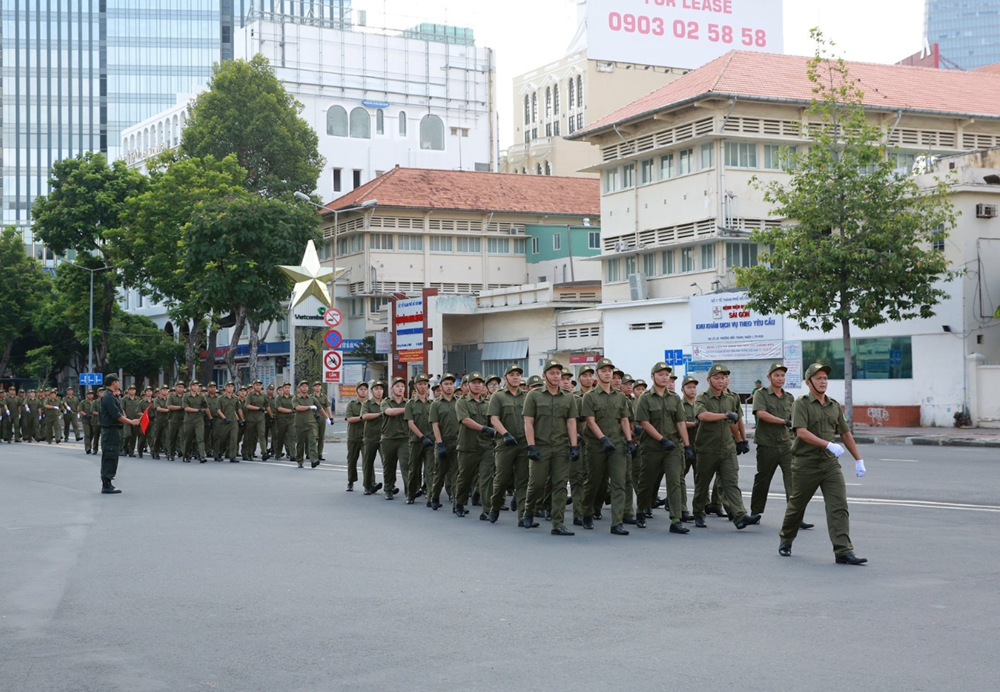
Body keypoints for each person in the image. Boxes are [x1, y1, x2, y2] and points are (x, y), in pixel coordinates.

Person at [778, 363, 868, 565]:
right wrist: (827, 444)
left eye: (825, 378)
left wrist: (858, 459)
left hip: (829, 465)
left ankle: (843, 551)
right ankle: (786, 538)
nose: (823, 381)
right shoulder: (801, 404)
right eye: (818, 378)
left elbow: (845, 433)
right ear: (808, 382)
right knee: (797, 506)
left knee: (838, 506)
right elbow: (800, 431)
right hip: (806, 464)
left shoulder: (833, 405)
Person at [693, 364, 760, 530]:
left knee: (731, 482)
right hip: (707, 448)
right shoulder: (702, 398)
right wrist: (724, 415)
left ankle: (740, 516)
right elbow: (702, 415)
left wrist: (742, 440)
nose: (721, 381)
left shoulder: (732, 398)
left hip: (727, 448)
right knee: (703, 484)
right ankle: (699, 513)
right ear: (709, 380)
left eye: (723, 378)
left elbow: (736, 421)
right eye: (717, 378)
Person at [635, 362, 695, 535]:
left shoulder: (674, 398)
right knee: (647, 481)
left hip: (673, 447)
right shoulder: (645, 398)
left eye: (667, 375)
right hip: (652, 446)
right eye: (660, 374)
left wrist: (687, 445)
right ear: (653, 376)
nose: (664, 377)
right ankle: (641, 510)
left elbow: (680, 422)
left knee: (674, 481)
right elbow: (644, 423)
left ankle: (675, 519)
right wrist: (661, 439)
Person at [752, 362, 813, 530]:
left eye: (782, 375)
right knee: (763, 480)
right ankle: (755, 512)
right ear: (769, 377)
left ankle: (796, 517)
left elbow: (796, 419)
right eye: (776, 375)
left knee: (793, 481)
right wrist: (783, 421)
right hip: (767, 444)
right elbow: (761, 414)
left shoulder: (789, 397)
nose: (780, 378)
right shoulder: (761, 394)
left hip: (786, 445)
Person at [523, 359, 580, 536]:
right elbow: (528, 422)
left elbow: (571, 423)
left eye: (558, 373)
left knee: (560, 485)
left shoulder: (568, 397)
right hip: (541, 446)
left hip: (561, 447)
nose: (556, 376)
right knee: (537, 483)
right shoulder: (534, 395)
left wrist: (574, 446)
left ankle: (558, 523)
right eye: (552, 373)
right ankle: (529, 510)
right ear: (544, 375)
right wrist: (531, 445)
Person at [580, 358, 634, 535]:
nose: (608, 373)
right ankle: (586, 511)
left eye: (610, 370)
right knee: (594, 482)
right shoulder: (590, 396)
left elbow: (624, 420)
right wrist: (603, 439)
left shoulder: (620, 396)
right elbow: (590, 420)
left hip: (617, 444)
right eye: (603, 370)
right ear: (597, 374)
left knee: (619, 483)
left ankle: (617, 522)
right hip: (597, 445)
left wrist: (629, 440)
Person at [486, 364, 530, 526]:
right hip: (505, 443)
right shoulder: (498, 396)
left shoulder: (526, 396)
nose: (516, 377)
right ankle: (495, 506)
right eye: (512, 375)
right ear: (506, 378)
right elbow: (494, 419)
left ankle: (522, 516)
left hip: (523, 443)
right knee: (502, 479)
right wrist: (505, 434)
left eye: (518, 374)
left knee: (523, 480)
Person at [453, 372, 496, 518]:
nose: (477, 385)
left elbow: (493, 421)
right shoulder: (462, 402)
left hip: (486, 447)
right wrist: (484, 429)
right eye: (474, 382)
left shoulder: (488, 404)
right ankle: (459, 503)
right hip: (467, 447)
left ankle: (487, 510)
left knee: (486, 478)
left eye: (479, 382)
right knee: (465, 477)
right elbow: (465, 420)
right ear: (467, 385)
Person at [99, 375, 138, 494]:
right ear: (113, 383)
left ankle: (109, 482)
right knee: (110, 455)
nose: (118, 384)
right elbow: (116, 415)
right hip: (110, 430)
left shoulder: (112, 396)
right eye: (117, 382)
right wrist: (130, 422)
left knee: (113, 455)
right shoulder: (108, 397)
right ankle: (106, 484)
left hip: (114, 430)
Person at [429, 373, 460, 510]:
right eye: (446, 384)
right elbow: (435, 425)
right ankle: (434, 496)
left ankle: (456, 502)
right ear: (441, 387)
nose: (449, 387)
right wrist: (440, 444)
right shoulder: (436, 404)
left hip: (458, 442)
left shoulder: (460, 402)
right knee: (440, 472)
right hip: (443, 442)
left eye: (451, 384)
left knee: (457, 473)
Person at [404, 374, 435, 504]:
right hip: (416, 441)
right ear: (415, 386)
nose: (423, 387)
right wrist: (422, 437)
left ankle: (430, 496)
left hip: (431, 441)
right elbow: (411, 423)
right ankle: (411, 493)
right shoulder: (410, 404)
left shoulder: (433, 404)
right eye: (420, 384)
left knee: (429, 470)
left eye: (425, 384)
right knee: (414, 469)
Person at [379, 377, 410, 499]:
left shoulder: (408, 402)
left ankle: (409, 492)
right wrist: (406, 409)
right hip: (388, 438)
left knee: (406, 465)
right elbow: (390, 412)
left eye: (402, 386)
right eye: (397, 386)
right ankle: (388, 488)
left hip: (404, 438)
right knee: (389, 466)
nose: (400, 388)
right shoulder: (385, 402)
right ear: (392, 388)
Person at [360, 381, 385, 494]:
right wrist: (380, 414)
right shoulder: (367, 403)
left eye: (381, 389)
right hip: (370, 437)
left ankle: (390, 485)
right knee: (368, 462)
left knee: (387, 462)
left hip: (384, 436)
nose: (379, 391)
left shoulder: (386, 403)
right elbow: (364, 416)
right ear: (372, 391)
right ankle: (367, 485)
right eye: (376, 389)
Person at [343, 382, 368, 492]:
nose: (363, 391)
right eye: (361, 389)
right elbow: (349, 419)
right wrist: (363, 417)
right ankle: (351, 481)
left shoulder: (370, 404)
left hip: (366, 436)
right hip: (353, 436)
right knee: (352, 460)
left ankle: (369, 483)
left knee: (367, 460)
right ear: (357, 391)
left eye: (365, 389)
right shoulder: (352, 404)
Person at [182, 381, 212, 463]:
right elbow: (186, 408)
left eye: (197, 386)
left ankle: (202, 456)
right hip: (189, 420)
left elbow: (206, 407)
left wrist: (210, 417)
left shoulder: (201, 397)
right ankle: (186, 455)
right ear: (190, 387)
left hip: (199, 420)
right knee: (188, 439)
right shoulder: (186, 396)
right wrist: (198, 410)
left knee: (200, 438)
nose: (196, 387)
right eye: (194, 385)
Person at [293, 380, 319, 468]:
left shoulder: (312, 398)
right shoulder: (296, 398)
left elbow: (320, 407)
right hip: (300, 424)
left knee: (312, 441)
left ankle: (314, 460)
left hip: (311, 423)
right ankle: (300, 460)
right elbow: (297, 408)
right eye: (303, 386)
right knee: (300, 443)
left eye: (306, 386)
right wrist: (309, 407)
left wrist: (328, 418)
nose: (305, 388)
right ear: (299, 388)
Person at [215, 381, 242, 463]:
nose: (230, 388)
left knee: (234, 439)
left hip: (233, 422)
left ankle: (232, 456)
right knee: (223, 439)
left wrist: (239, 419)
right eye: (229, 386)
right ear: (225, 388)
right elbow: (218, 410)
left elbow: (236, 410)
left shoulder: (236, 398)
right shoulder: (220, 398)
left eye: (232, 387)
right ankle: (219, 453)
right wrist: (225, 418)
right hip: (224, 422)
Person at [243, 379, 270, 461]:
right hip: (251, 419)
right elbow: (247, 405)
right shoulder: (250, 395)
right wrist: (258, 408)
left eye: (259, 385)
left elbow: (267, 405)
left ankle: (264, 453)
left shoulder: (263, 395)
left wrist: (271, 415)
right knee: (250, 437)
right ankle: (248, 453)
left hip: (260, 419)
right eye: (257, 385)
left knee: (262, 435)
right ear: (253, 386)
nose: (258, 386)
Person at [273, 382, 295, 461]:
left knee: (292, 437)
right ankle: (278, 452)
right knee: (280, 437)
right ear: (283, 388)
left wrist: (294, 412)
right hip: (281, 420)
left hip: (291, 420)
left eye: (288, 387)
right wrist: (290, 410)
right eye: (285, 387)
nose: (287, 389)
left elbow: (295, 407)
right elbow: (279, 408)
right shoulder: (279, 398)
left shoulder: (293, 397)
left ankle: (293, 454)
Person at [165, 382, 186, 461]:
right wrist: (180, 407)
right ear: (175, 387)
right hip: (173, 420)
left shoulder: (185, 396)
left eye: (182, 387)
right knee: (172, 437)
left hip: (183, 420)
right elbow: (169, 406)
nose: (180, 388)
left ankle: (184, 454)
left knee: (183, 437)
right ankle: (171, 454)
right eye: (179, 387)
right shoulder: (171, 396)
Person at [312, 381, 331, 462]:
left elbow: (328, 406)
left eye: (319, 386)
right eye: (315, 386)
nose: (317, 387)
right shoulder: (311, 397)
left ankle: (319, 454)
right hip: (313, 418)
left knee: (321, 437)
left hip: (322, 418)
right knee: (314, 436)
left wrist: (330, 417)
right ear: (313, 388)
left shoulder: (324, 397)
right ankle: (312, 453)